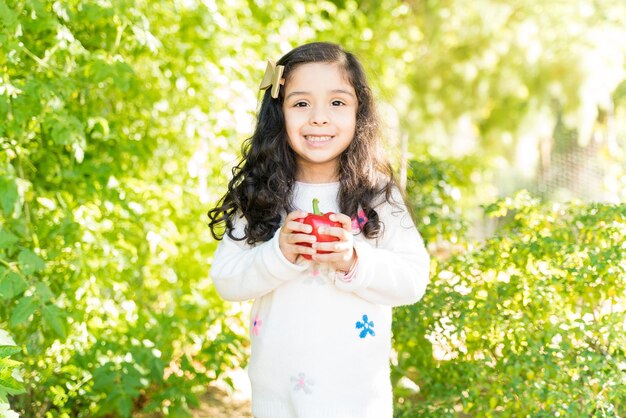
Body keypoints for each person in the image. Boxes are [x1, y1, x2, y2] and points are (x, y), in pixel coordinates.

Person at [208, 42, 430, 418]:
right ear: (278, 114)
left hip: (359, 399)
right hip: (278, 398)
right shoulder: (262, 194)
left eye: (337, 103)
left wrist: (353, 260)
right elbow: (226, 280)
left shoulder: (376, 195)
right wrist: (277, 254)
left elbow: (413, 280)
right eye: (301, 103)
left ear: (360, 113)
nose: (319, 118)